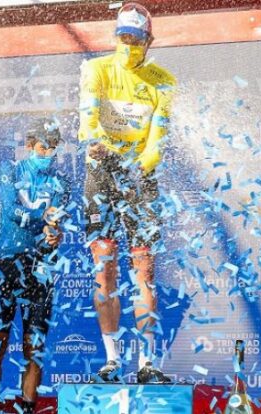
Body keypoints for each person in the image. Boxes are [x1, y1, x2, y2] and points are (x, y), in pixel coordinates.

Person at [77, 2, 176, 384]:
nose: (129, 45)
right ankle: (112, 360)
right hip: (101, 171)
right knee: (104, 268)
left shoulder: (162, 79)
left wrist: (140, 164)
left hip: (139, 175)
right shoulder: (96, 69)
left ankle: (147, 362)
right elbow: (88, 119)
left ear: (149, 41)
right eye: (123, 37)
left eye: (136, 39)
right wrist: (100, 144)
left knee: (144, 270)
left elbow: (158, 139)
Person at [0, 118, 69, 413]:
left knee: (35, 348)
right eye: (44, 147)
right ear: (30, 145)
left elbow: (54, 223)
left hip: (40, 268)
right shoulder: (9, 170)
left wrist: (54, 236)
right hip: (6, 264)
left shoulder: (61, 181)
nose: (48, 154)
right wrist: (42, 220)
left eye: (53, 148)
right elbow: (11, 211)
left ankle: (28, 409)